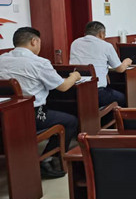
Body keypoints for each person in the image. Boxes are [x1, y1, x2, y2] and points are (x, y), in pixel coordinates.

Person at [0, 27, 81, 178]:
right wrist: (75, 76)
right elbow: (63, 86)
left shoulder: (2, 59)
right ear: (34, 41)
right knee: (70, 121)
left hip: (5, 116)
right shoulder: (39, 62)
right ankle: (47, 160)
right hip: (34, 116)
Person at [69, 21, 132, 107]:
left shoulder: (75, 43)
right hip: (96, 93)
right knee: (122, 98)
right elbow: (120, 69)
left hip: (76, 91)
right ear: (101, 34)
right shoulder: (106, 46)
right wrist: (126, 62)